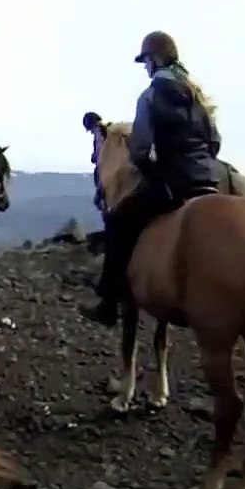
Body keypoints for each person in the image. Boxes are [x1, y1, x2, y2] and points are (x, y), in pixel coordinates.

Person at [80, 31, 221, 326]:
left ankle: (108, 303)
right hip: (209, 182)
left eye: (146, 62)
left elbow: (141, 151)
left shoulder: (152, 95)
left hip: (174, 183)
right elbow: (215, 143)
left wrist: (153, 168)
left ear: (155, 60)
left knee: (118, 222)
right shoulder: (198, 96)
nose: (146, 68)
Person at [83, 111, 107, 214]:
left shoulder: (99, 131)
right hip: (106, 166)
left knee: (100, 199)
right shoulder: (105, 129)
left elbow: (100, 150)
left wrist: (94, 157)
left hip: (104, 168)